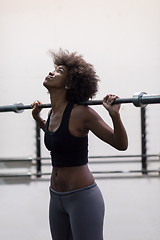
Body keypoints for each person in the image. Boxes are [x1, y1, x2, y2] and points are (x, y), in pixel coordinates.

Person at [31, 49, 128, 240]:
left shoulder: (82, 113)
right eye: (53, 69)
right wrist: (38, 119)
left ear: (68, 84)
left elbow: (120, 144)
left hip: (82, 198)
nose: (51, 73)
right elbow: (58, 138)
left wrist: (114, 115)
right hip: (56, 197)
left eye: (59, 71)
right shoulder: (52, 112)